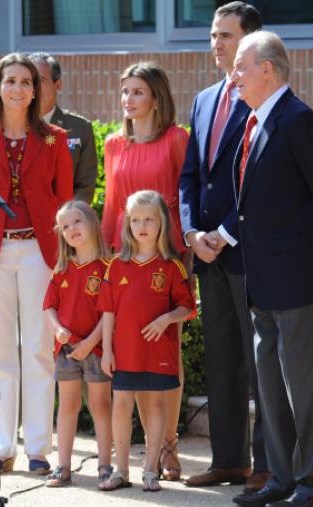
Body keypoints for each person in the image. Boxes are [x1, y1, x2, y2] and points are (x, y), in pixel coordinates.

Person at [226, 31, 313, 507]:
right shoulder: (255, 121)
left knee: (308, 390)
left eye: (241, 65)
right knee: (273, 391)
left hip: (301, 281)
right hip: (262, 282)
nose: (232, 75)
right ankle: (282, 477)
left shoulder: (300, 122)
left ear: (268, 69)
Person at [0, 53, 74, 477]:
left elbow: (64, 199)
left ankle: (38, 449)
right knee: (0, 352)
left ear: (36, 89)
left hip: (38, 253)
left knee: (39, 350)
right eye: (10, 81)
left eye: (27, 82)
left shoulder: (55, 138)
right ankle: (1, 445)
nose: (19, 89)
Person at [178, 1, 270, 493]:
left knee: (260, 367)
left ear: (252, 42)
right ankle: (228, 461)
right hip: (208, 255)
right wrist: (193, 234)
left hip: (246, 249)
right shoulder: (204, 99)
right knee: (222, 360)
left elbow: (260, 180)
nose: (216, 44)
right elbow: (191, 175)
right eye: (213, 35)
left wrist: (226, 233)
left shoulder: (264, 98)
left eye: (226, 36)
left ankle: (267, 465)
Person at [101, 61, 191, 481]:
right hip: (126, 262)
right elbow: (112, 204)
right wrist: (105, 258)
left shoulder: (177, 139)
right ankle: (149, 451)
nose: (129, 100)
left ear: (156, 97)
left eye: (138, 92)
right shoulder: (113, 144)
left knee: (166, 350)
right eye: (125, 92)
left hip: (168, 257)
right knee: (134, 351)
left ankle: (169, 446)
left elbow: (187, 198)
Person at [97, 190, 196, 493]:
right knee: (121, 406)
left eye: (149, 219)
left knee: (155, 405)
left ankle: (151, 469)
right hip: (124, 352)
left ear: (161, 224)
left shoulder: (171, 267)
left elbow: (187, 306)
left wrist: (166, 319)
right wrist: (106, 351)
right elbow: (107, 312)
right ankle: (121, 470)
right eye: (136, 219)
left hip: (158, 352)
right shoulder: (116, 266)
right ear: (127, 224)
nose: (142, 225)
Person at [42, 200, 113, 488]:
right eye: (65, 226)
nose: (72, 229)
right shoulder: (61, 269)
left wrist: (91, 343)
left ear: (92, 224)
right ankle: (63, 467)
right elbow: (49, 306)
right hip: (67, 351)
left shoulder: (108, 267)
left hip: (96, 349)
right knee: (68, 404)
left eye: (77, 222)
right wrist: (58, 330)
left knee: (100, 404)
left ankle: (106, 466)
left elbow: (111, 312)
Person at [28, 52, 98, 204]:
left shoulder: (80, 128)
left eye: (41, 80)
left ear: (58, 85)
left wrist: (66, 220)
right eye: (29, 81)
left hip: (65, 222)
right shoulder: (12, 128)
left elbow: (85, 186)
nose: (34, 88)